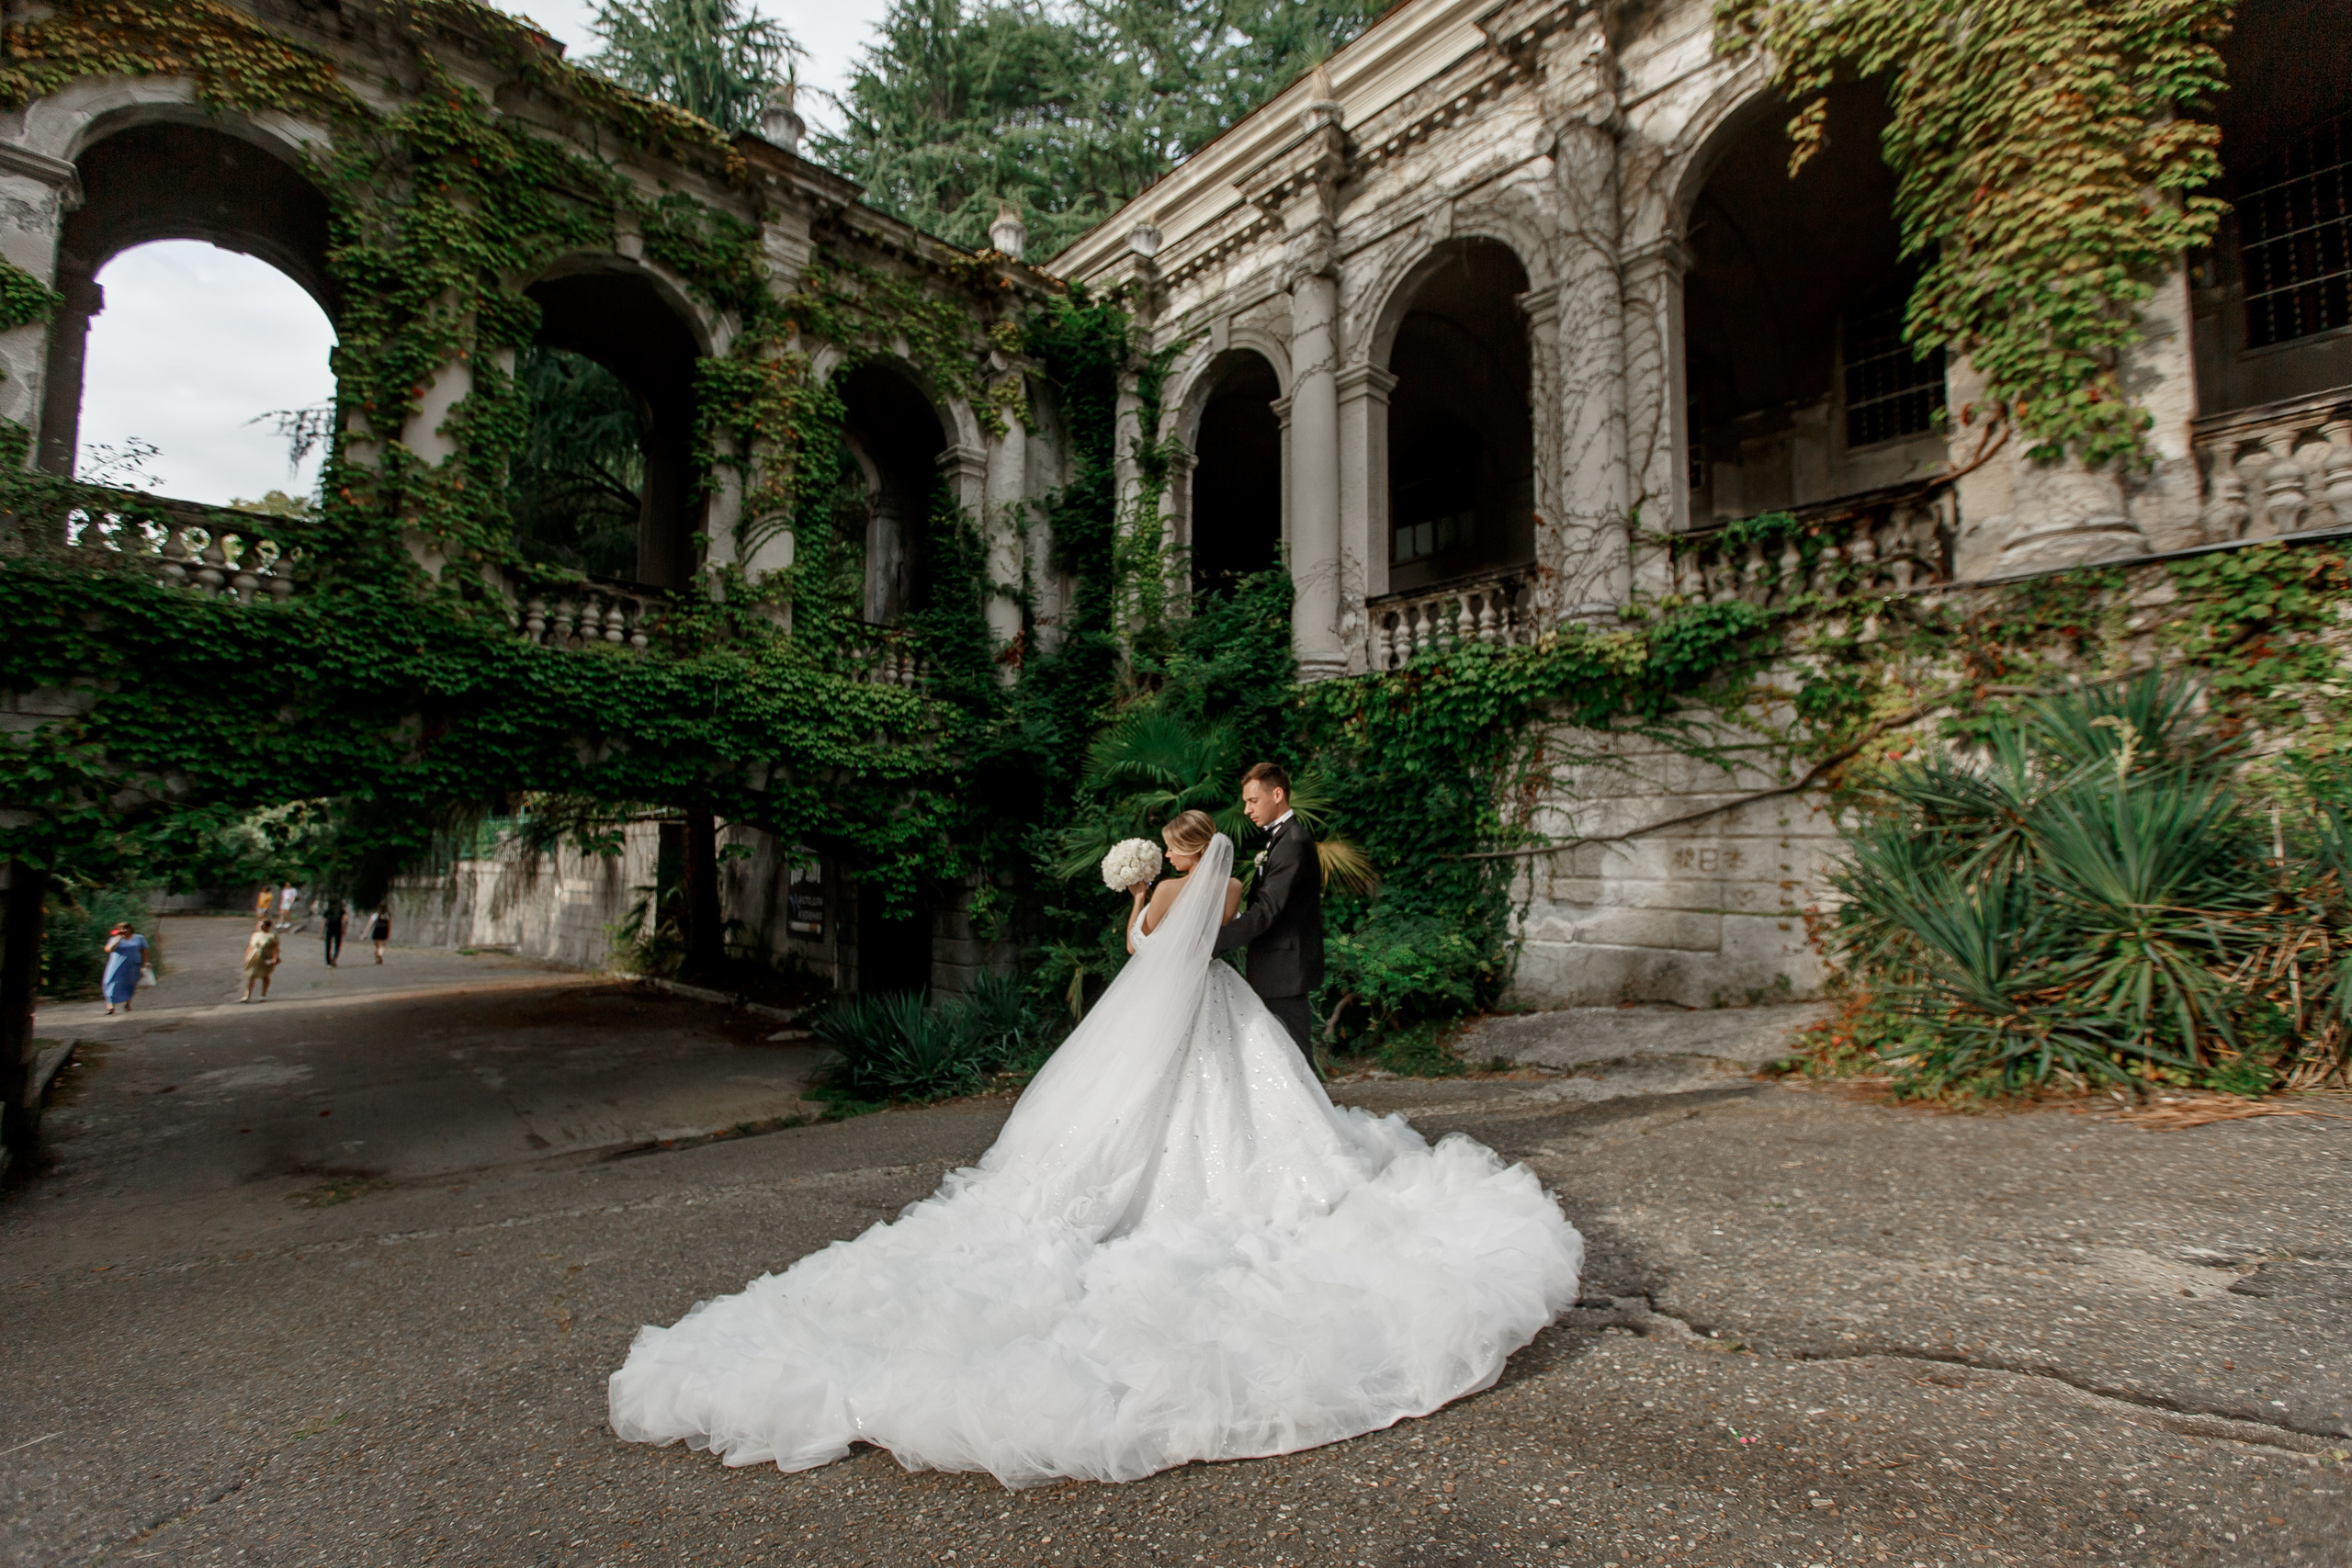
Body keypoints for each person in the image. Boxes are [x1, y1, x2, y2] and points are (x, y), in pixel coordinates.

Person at [608, 809, 1583, 1487]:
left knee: (1125, 1124)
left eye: (1165, 845)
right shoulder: (1227, 881)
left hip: (1156, 1025)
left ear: (1171, 851)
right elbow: (1223, 936)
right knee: (1258, 1113)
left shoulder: (1158, 899)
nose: (1158, 854)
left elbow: (1138, 954)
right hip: (1220, 1015)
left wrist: (1137, 897)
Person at [1212, 761, 1324, 1068]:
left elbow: (1267, 911)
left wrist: (1212, 941)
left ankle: (1311, 1117)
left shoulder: (1293, 842)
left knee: (1297, 1060)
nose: (1247, 810)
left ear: (1277, 794)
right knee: (1283, 1059)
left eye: (1252, 800)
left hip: (1284, 968)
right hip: (1277, 965)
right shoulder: (1281, 839)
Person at [101, 921, 148, 1015]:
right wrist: (118, 939)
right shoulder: (114, 939)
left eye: (126, 928)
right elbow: (108, 949)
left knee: (130, 984)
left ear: (131, 929)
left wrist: (146, 963)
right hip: (116, 966)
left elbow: (145, 951)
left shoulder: (139, 938)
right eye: (121, 928)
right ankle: (111, 1007)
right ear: (118, 930)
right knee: (111, 983)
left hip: (133, 965)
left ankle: (127, 1004)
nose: (124, 930)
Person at [240, 918, 281, 1002]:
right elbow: (250, 947)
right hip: (255, 957)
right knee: (251, 975)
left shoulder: (272, 935)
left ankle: (263, 995)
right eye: (259, 925)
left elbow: (276, 948)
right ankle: (247, 995)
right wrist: (246, 958)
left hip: (266, 957)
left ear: (267, 926)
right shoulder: (255, 934)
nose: (260, 926)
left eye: (262, 925)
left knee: (265, 976)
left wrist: (275, 958)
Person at [322, 902, 345, 967]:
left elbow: (323, 921)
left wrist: (321, 932)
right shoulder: (341, 911)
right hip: (338, 930)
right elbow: (345, 920)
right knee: (337, 945)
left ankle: (328, 962)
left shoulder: (328, 911)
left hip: (329, 930)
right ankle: (334, 958)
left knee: (328, 946)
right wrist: (344, 929)